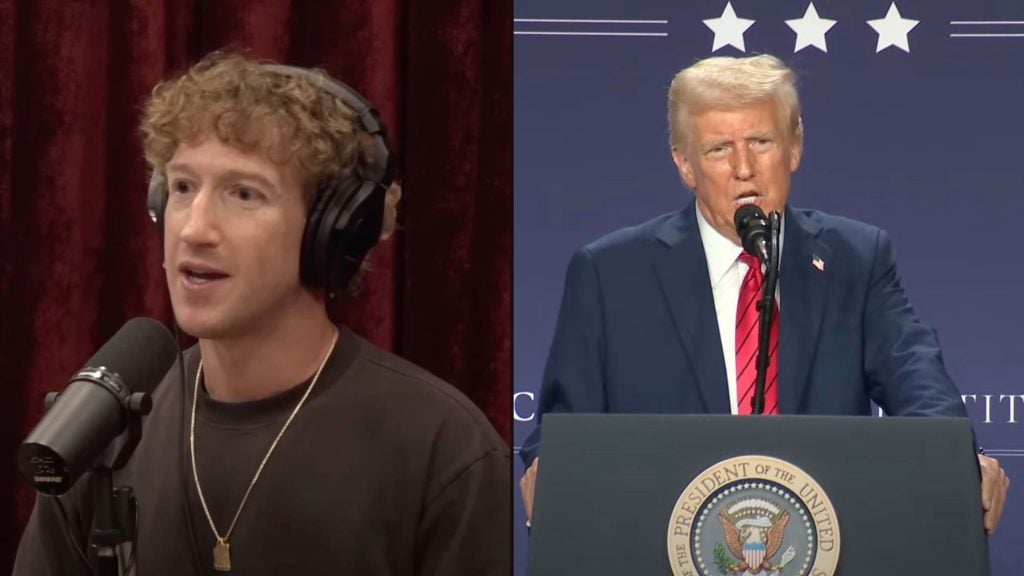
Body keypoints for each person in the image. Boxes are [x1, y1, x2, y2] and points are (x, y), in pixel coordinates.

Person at [15, 52, 510, 575]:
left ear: (332, 231)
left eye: (244, 194)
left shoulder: (443, 450)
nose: (194, 229)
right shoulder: (104, 430)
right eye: (182, 187)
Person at [519, 54, 1007, 532]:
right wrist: (550, 469)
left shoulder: (855, 259)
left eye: (761, 141)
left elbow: (916, 378)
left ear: (794, 149)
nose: (743, 167)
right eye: (718, 149)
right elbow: (564, 429)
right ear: (685, 165)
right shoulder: (610, 272)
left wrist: (958, 455)